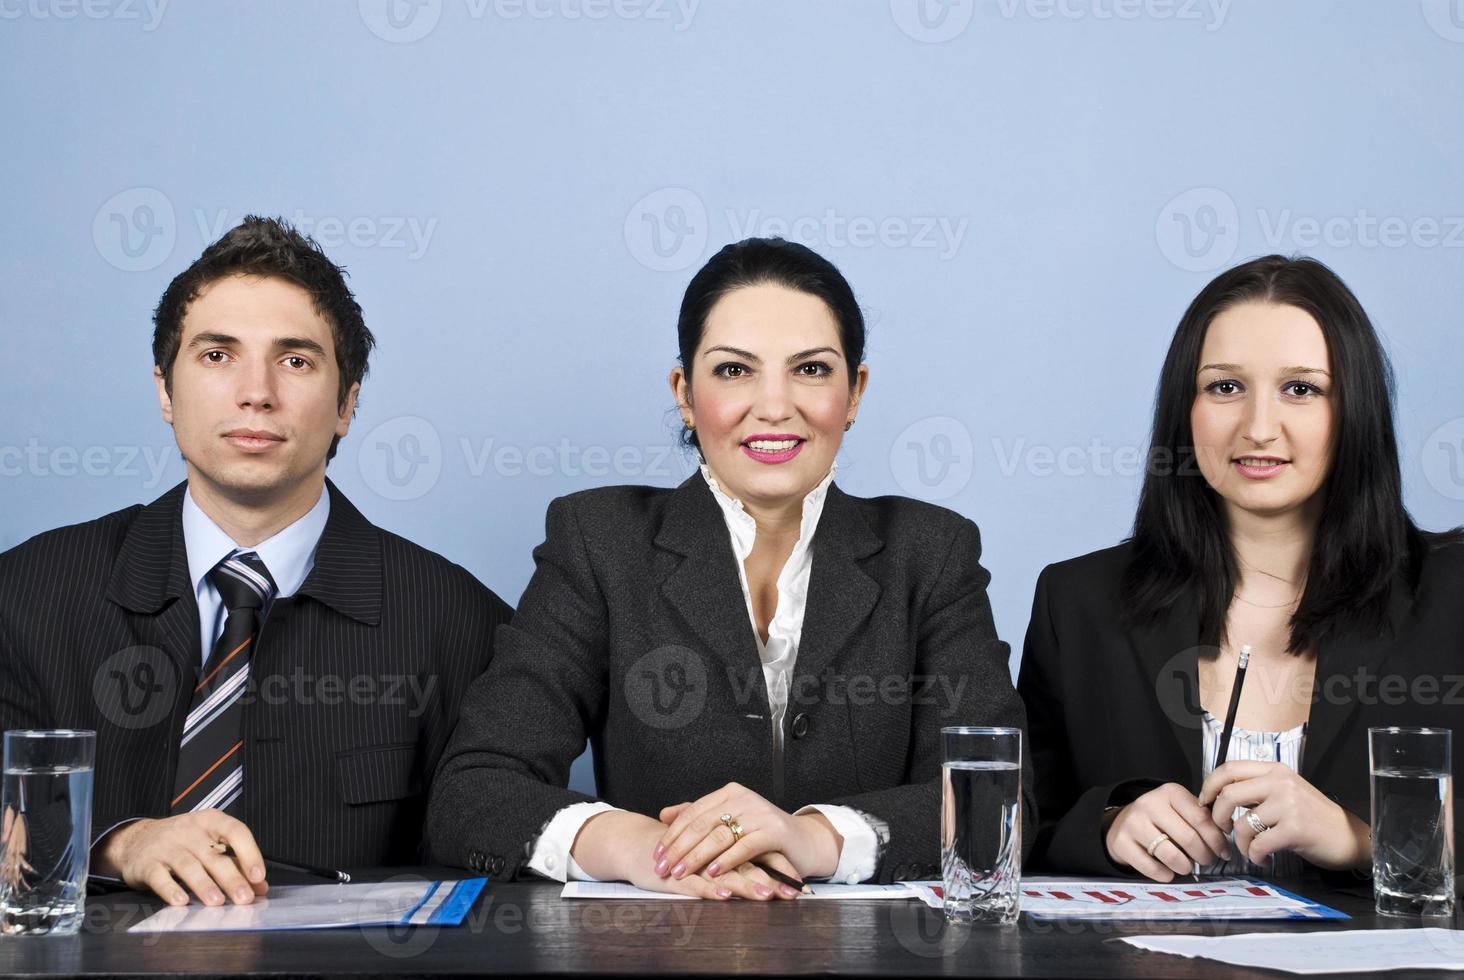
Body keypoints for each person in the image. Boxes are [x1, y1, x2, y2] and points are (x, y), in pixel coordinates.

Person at [428, 237, 1030, 898]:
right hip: (662, 955)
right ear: (685, 393)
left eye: (811, 369)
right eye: (735, 370)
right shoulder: (600, 542)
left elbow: (1002, 801)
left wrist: (816, 837)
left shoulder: (932, 551)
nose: (774, 406)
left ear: (854, 392)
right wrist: (638, 847)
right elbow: (472, 792)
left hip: (878, 960)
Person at [0, 217, 511, 907]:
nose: (256, 392)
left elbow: (497, 853)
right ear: (163, 390)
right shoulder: (29, 592)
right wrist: (115, 844)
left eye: (295, 360)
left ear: (347, 405)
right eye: (217, 356)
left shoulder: (462, 623)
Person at [1019, 255, 1464, 882]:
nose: (1258, 427)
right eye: (1225, 387)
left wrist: (1358, 837)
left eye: (1301, 389)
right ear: (1185, 410)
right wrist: (1108, 823)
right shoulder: (1078, 601)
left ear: (1355, 411)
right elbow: (1015, 821)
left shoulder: (1452, 594)